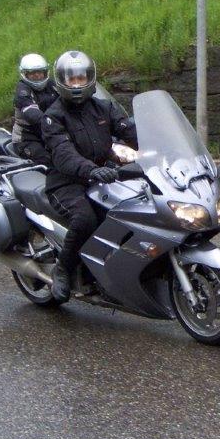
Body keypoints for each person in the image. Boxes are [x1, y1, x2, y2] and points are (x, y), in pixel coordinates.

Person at [42, 50, 137, 301]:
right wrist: (92, 169)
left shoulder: (104, 107)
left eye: (81, 78)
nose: (77, 84)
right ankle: (63, 269)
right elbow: (63, 154)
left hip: (103, 176)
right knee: (85, 219)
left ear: (90, 79)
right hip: (66, 182)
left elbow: (129, 130)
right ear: (61, 81)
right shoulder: (53, 117)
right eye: (71, 79)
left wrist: (158, 146)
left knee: (134, 210)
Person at [12, 53, 57, 165]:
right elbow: (32, 114)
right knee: (47, 161)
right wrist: (53, 122)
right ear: (25, 74)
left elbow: (66, 98)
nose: (37, 75)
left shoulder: (52, 85)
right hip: (27, 138)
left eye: (40, 72)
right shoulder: (23, 91)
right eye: (32, 73)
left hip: (49, 133)